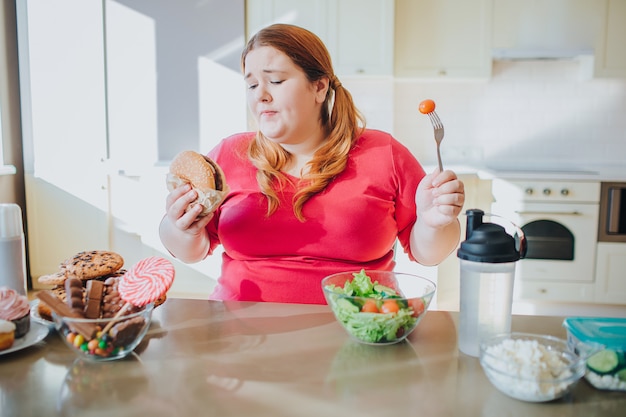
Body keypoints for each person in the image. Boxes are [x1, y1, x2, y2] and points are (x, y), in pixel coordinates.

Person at [159, 23, 465, 304]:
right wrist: (180, 227)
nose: (260, 96)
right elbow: (191, 252)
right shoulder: (229, 154)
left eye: (275, 80)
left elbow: (427, 254)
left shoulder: (384, 152)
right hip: (241, 334)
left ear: (319, 87)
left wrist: (434, 222)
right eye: (252, 85)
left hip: (360, 328)